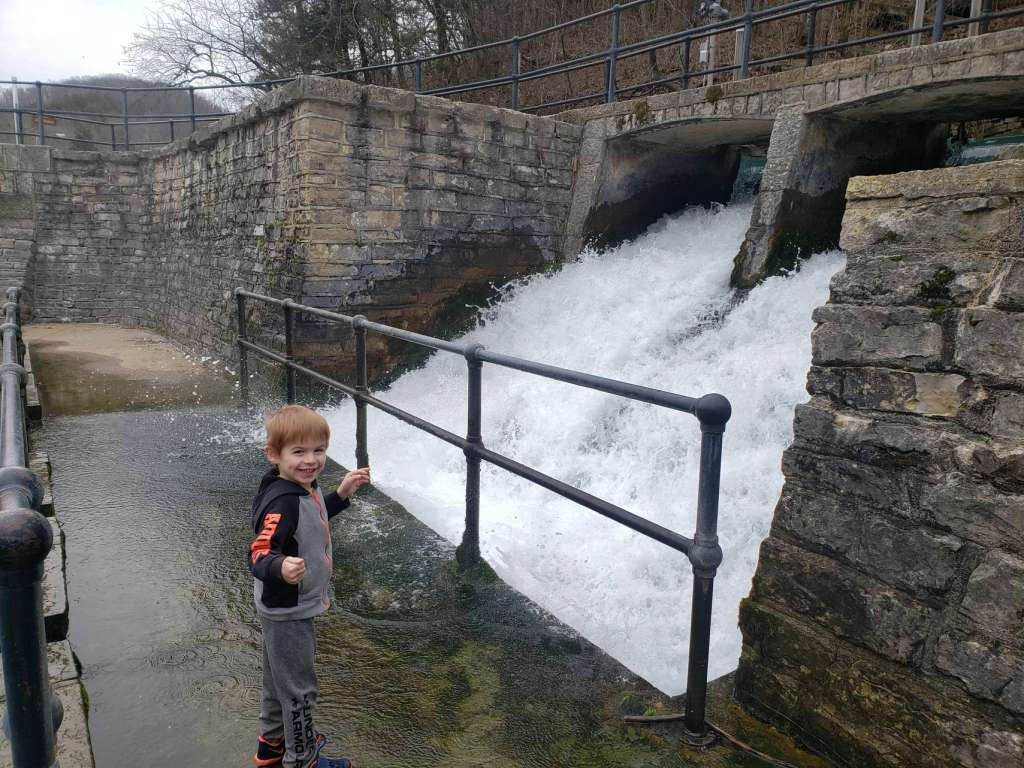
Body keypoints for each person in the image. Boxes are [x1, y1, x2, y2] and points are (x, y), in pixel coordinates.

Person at [247, 405, 371, 768]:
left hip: (282, 606)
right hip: (289, 609)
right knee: (300, 689)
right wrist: (279, 565)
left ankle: (272, 746)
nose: (311, 460)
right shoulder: (284, 501)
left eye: (319, 450)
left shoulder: (298, 488)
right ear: (274, 454)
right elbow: (258, 553)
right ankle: (302, 759)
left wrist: (341, 493)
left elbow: (311, 519)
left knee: (277, 682)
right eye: (298, 452)